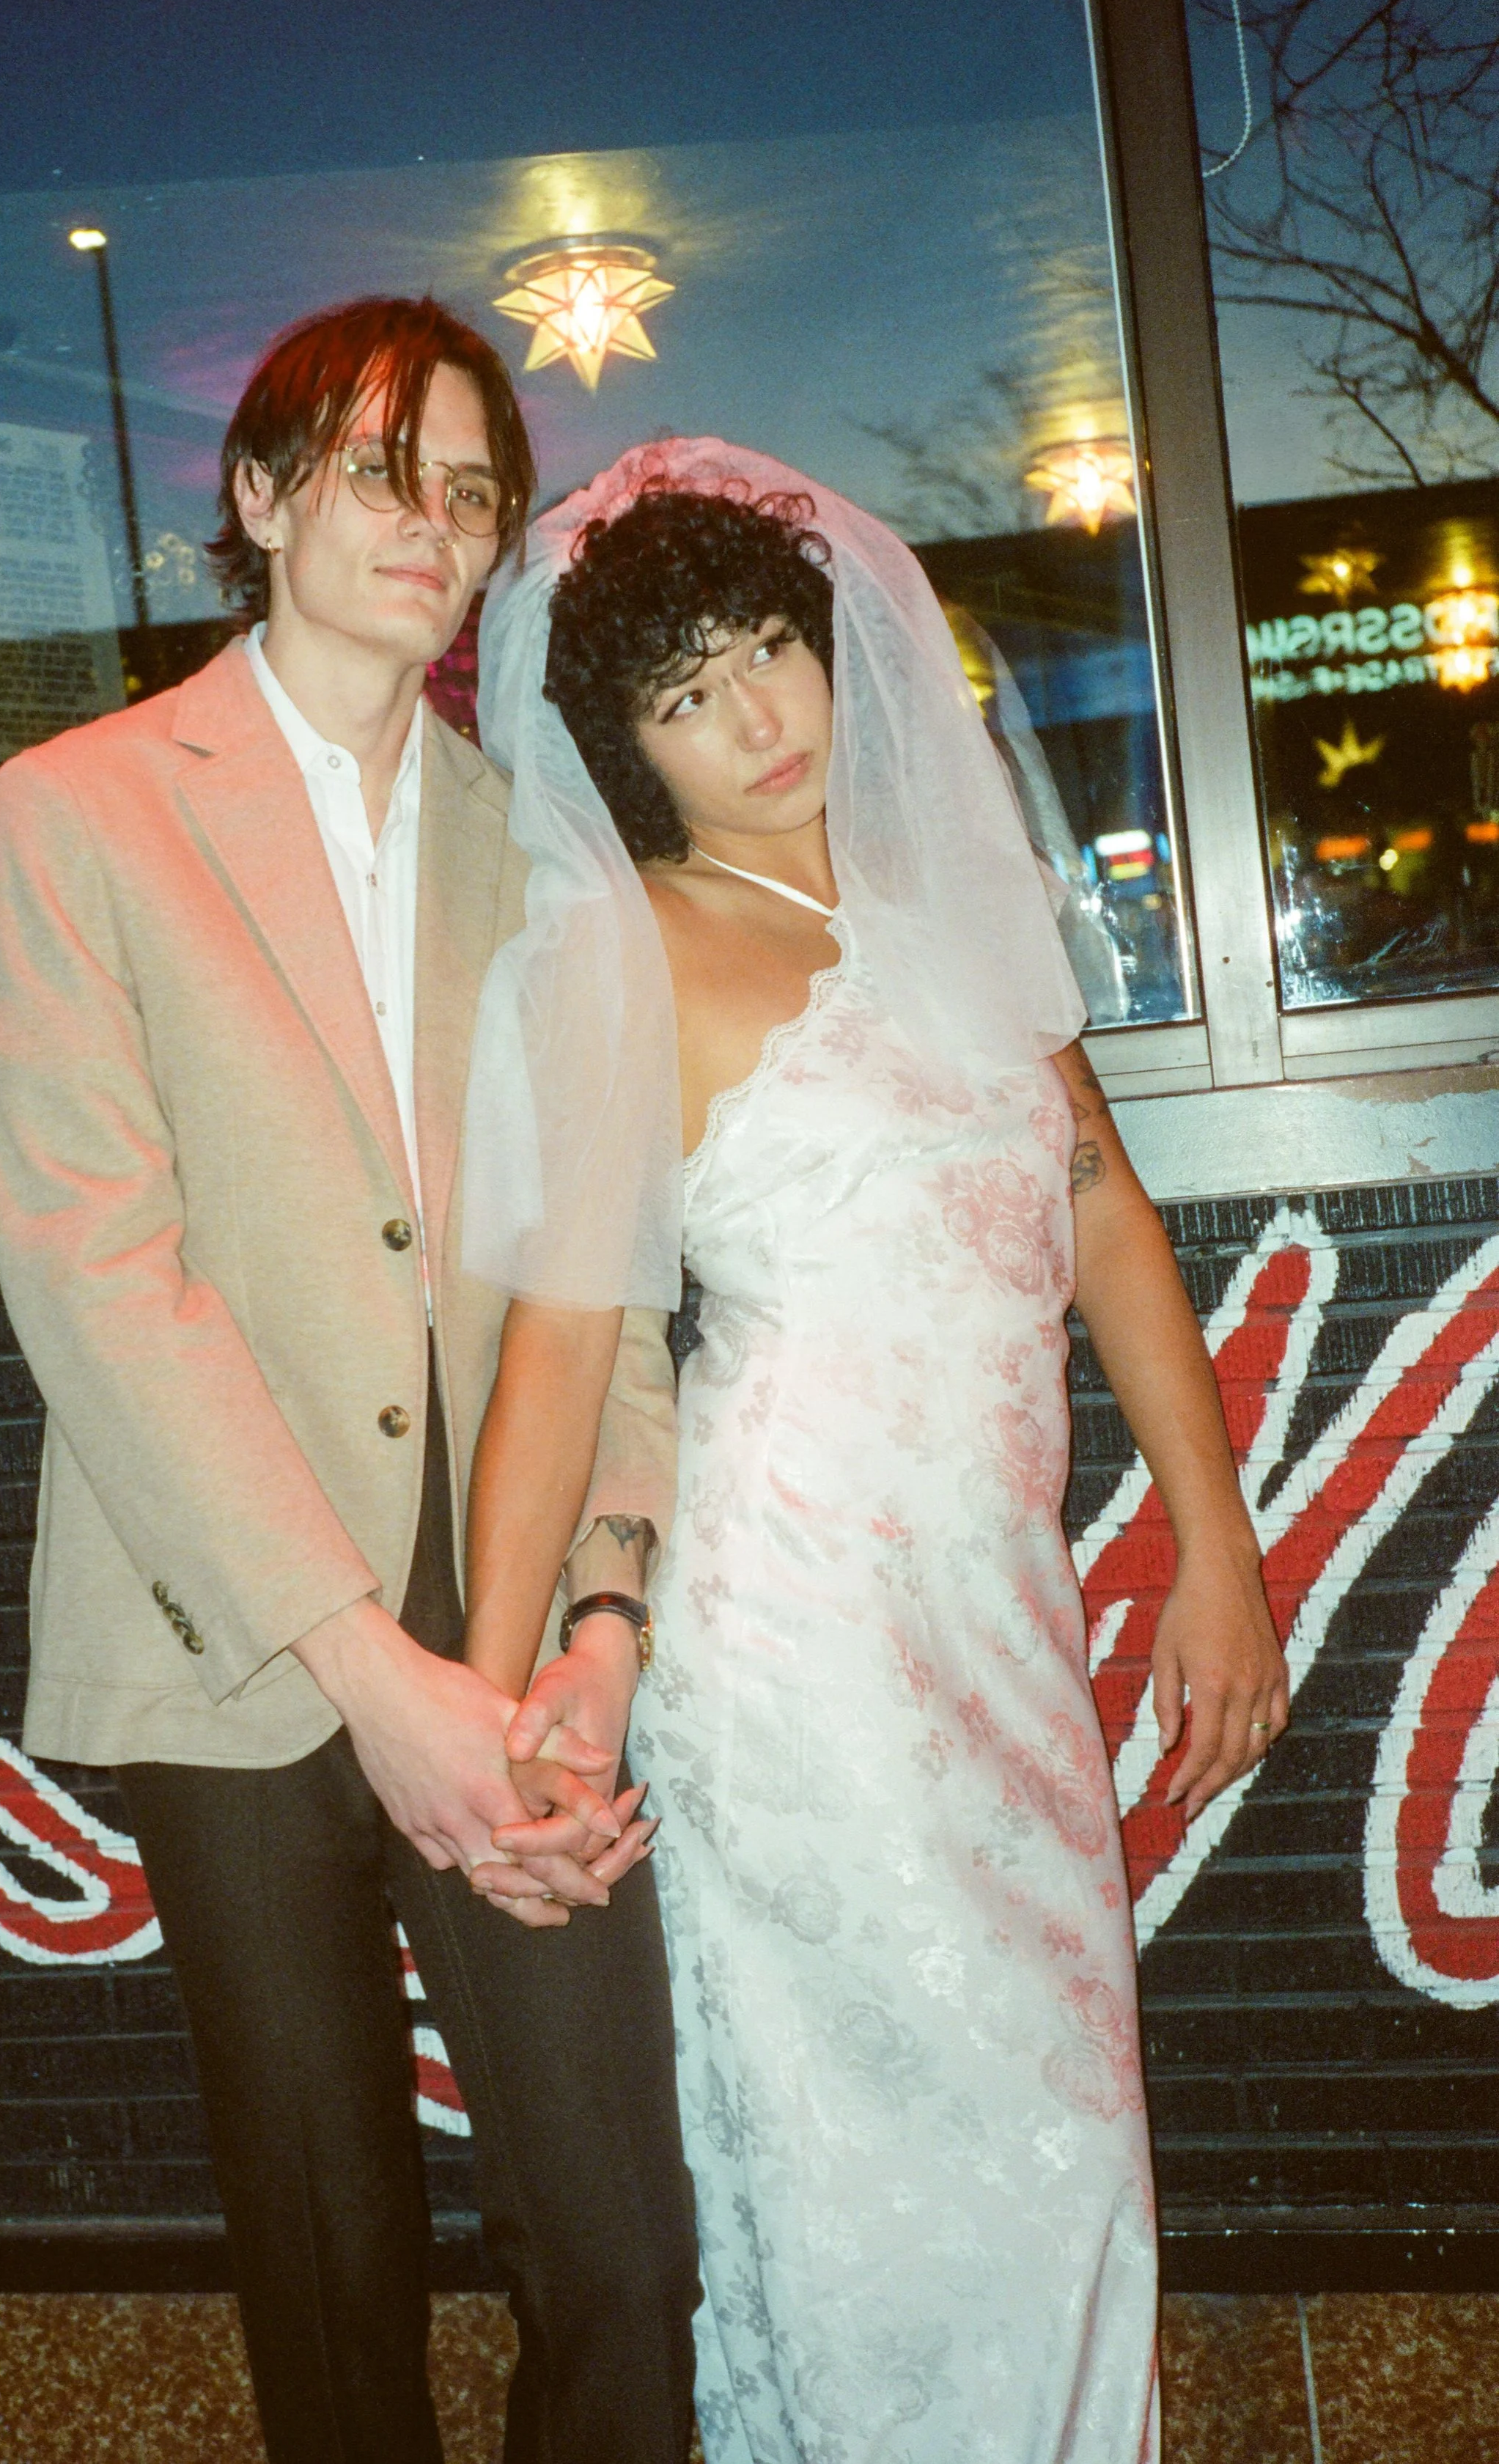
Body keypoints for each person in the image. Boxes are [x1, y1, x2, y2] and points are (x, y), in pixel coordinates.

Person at [457, 438, 1290, 2464]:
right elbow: (565, 1350)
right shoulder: (619, 950)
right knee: (857, 2195)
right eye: (680, 694)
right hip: (794, 1641)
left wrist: (1215, 1547)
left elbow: (1098, 1213)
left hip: (988, 1615)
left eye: (766, 652)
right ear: (615, 741)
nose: (751, 720)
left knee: (1061, 2131)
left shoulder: (951, 906)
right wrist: (489, 1713)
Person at [0, 301, 699, 2464]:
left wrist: (596, 1632)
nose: (437, 526)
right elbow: (97, 1269)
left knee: (624, 2257)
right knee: (330, 2270)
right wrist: (371, 1675)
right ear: (263, 499)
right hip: (234, 1628)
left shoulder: (542, 848)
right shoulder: (84, 811)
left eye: (472, 490)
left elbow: (611, 1289)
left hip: (508, 1601)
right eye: (386, 472)